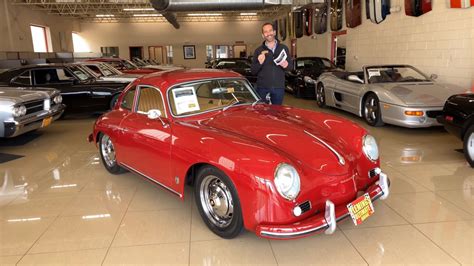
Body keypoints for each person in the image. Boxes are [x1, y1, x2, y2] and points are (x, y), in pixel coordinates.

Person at [251, 22, 293, 105]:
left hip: (278, 87)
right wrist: (260, 63)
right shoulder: (258, 51)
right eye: (265, 32)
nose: (268, 33)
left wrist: (286, 65)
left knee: (277, 113)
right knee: (262, 113)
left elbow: (290, 67)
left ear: (274, 32)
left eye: (270, 31)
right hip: (262, 88)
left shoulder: (283, 48)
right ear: (263, 35)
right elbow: (253, 71)